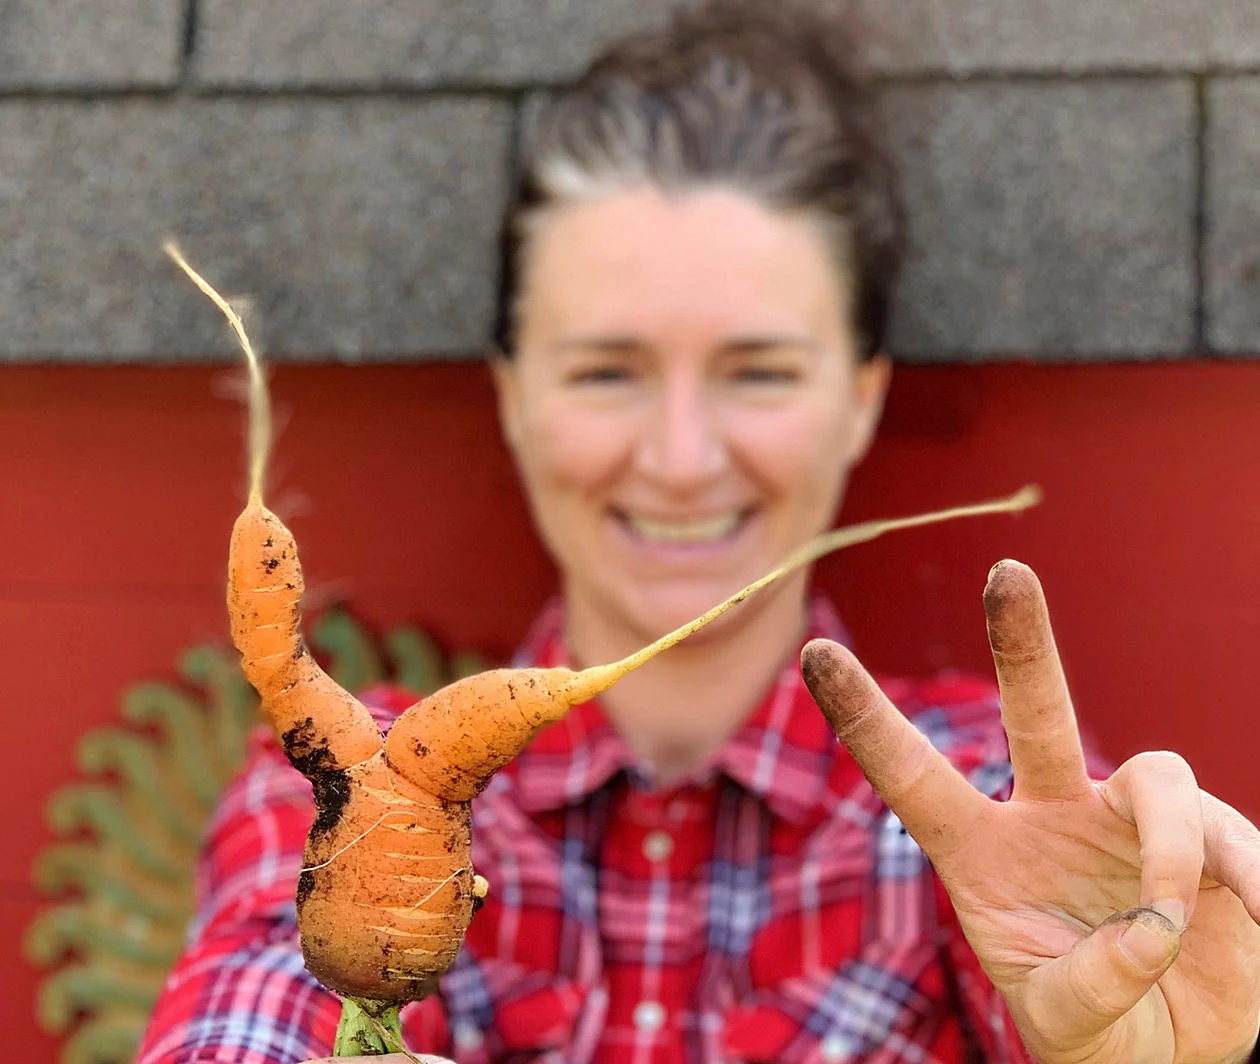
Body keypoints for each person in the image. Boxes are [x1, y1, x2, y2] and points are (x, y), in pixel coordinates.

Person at [136, 2, 1260, 1062]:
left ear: (861, 396)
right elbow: (249, 1000)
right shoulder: (331, 791)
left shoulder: (986, 801)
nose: (680, 456)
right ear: (515, 394)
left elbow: (1091, 973)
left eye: (758, 371)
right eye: (608, 369)